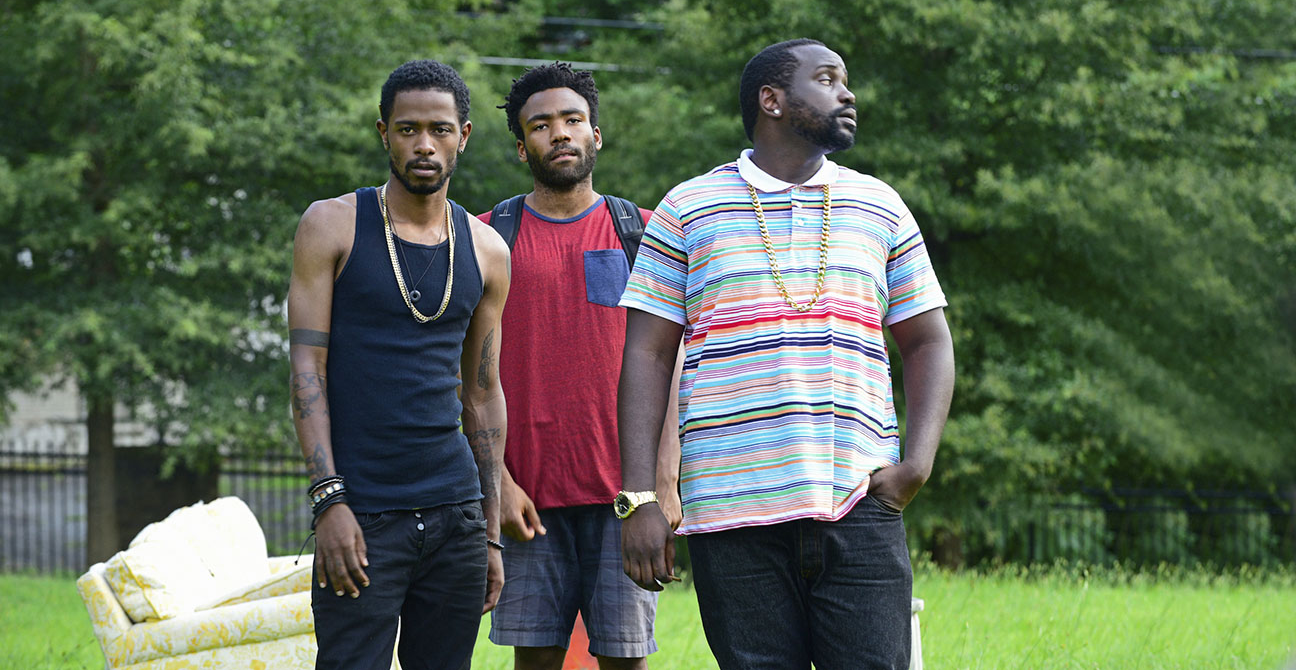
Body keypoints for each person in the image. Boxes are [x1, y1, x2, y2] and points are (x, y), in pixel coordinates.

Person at [616, 39, 956, 670]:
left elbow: (929, 340)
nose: (847, 94)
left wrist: (917, 464)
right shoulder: (687, 208)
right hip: (730, 515)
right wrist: (639, 497)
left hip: (859, 503)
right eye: (827, 79)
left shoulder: (880, 205)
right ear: (771, 100)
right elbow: (646, 356)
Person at [287, 59, 511, 670]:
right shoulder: (331, 225)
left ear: (464, 136)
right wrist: (329, 501)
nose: (424, 144)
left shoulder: (488, 251)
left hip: (456, 516)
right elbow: (307, 369)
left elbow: (484, 393)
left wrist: (490, 533)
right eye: (408, 129)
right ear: (384, 132)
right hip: (361, 511)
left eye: (440, 130)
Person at [478, 61, 682, 670]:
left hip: (626, 497)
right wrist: (498, 484)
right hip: (528, 501)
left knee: (625, 658)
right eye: (541, 125)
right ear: (522, 147)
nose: (559, 133)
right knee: (536, 661)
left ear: (596, 133)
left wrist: (664, 481)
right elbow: (467, 377)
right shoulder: (488, 238)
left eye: (573, 119)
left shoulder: (644, 232)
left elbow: (673, 364)